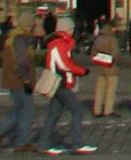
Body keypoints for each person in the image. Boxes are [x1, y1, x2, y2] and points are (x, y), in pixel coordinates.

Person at [37, 15, 92, 156]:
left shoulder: (61, 42)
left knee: (54, 115)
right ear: (68, 30)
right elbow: (63, 64)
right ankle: (77, 143)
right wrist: (81, 71)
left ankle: (44, 144)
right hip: (60, 84)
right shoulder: (60, 43)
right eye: (72, 29)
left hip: (58, 83)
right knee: (77, 110)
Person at [0, 23, 36, 151]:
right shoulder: (20, 38)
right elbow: (22, 61)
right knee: (27, 111)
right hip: (20, 81)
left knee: (19, 110)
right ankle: (21, 142)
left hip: (12, 79)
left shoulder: (11, 38)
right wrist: (27, 79)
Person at [88, 15, 121, 117]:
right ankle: (108, 110)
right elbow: (115, 54)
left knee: (99, 90)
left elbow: (92, 54)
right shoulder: (112, 39)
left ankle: (97, 110)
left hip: (100, 68)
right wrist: (119, 61)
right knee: (110, 90)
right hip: (111, 68)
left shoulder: (98, 39)